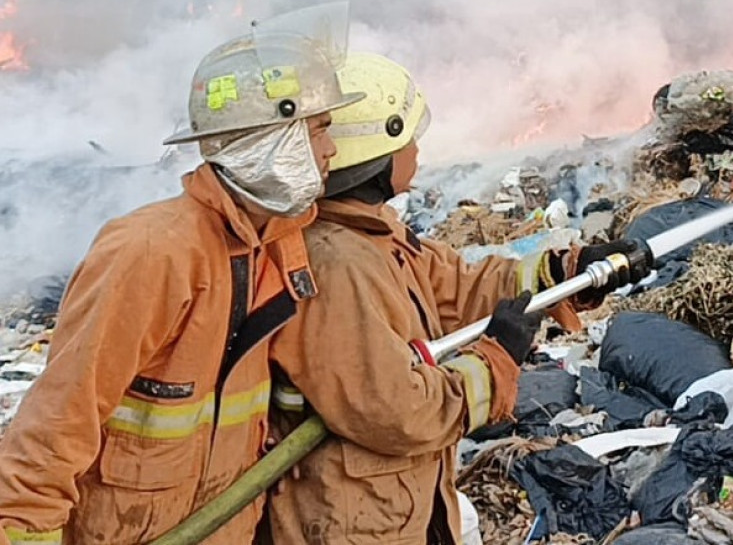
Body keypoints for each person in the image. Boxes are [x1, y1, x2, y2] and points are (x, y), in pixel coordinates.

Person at [0, 16, 365, 545]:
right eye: (318, 130)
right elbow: (60, 418)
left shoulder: (281, 243)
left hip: (226, 527)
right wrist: (27, 530)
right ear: (268, 140)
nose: (331, 150)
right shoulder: (152, 251)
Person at [265, 52, 650, 544]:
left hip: (393, 505)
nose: (417, 153)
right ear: (378, 152)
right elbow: (395, 411)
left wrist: (567, 272)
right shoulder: (338, 264)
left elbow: (458, 287)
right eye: (408, 139)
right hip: (352, 521)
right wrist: (494, 362)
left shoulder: (371, 234)